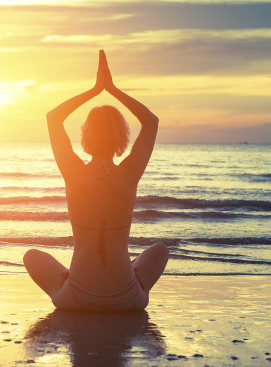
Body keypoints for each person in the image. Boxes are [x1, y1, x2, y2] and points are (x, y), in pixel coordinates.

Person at [23, 49, 169, 312]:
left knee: (31, 256)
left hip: (77, 298)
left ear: (86, 136)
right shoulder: (129, 174)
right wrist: (111, 89)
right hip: (126, 299)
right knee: (160, 250)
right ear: (122, 137)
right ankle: (132, 281)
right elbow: (151, 121)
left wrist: (95, 89)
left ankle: (69, 280)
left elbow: (53, 117)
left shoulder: (73, 172)